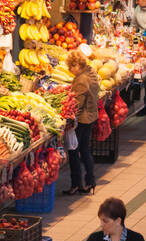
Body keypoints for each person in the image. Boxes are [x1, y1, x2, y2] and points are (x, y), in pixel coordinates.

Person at [64, 50, 100, 195]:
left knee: (74, 151)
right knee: (85, 149)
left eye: (71, 67)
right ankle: (90, 181)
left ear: (77, 65)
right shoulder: (91, 72)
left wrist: (70, 119)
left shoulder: (81, 80)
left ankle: (76, 184)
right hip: (91, 116)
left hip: (83, 119)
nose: (69, 70)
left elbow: (77, 105)